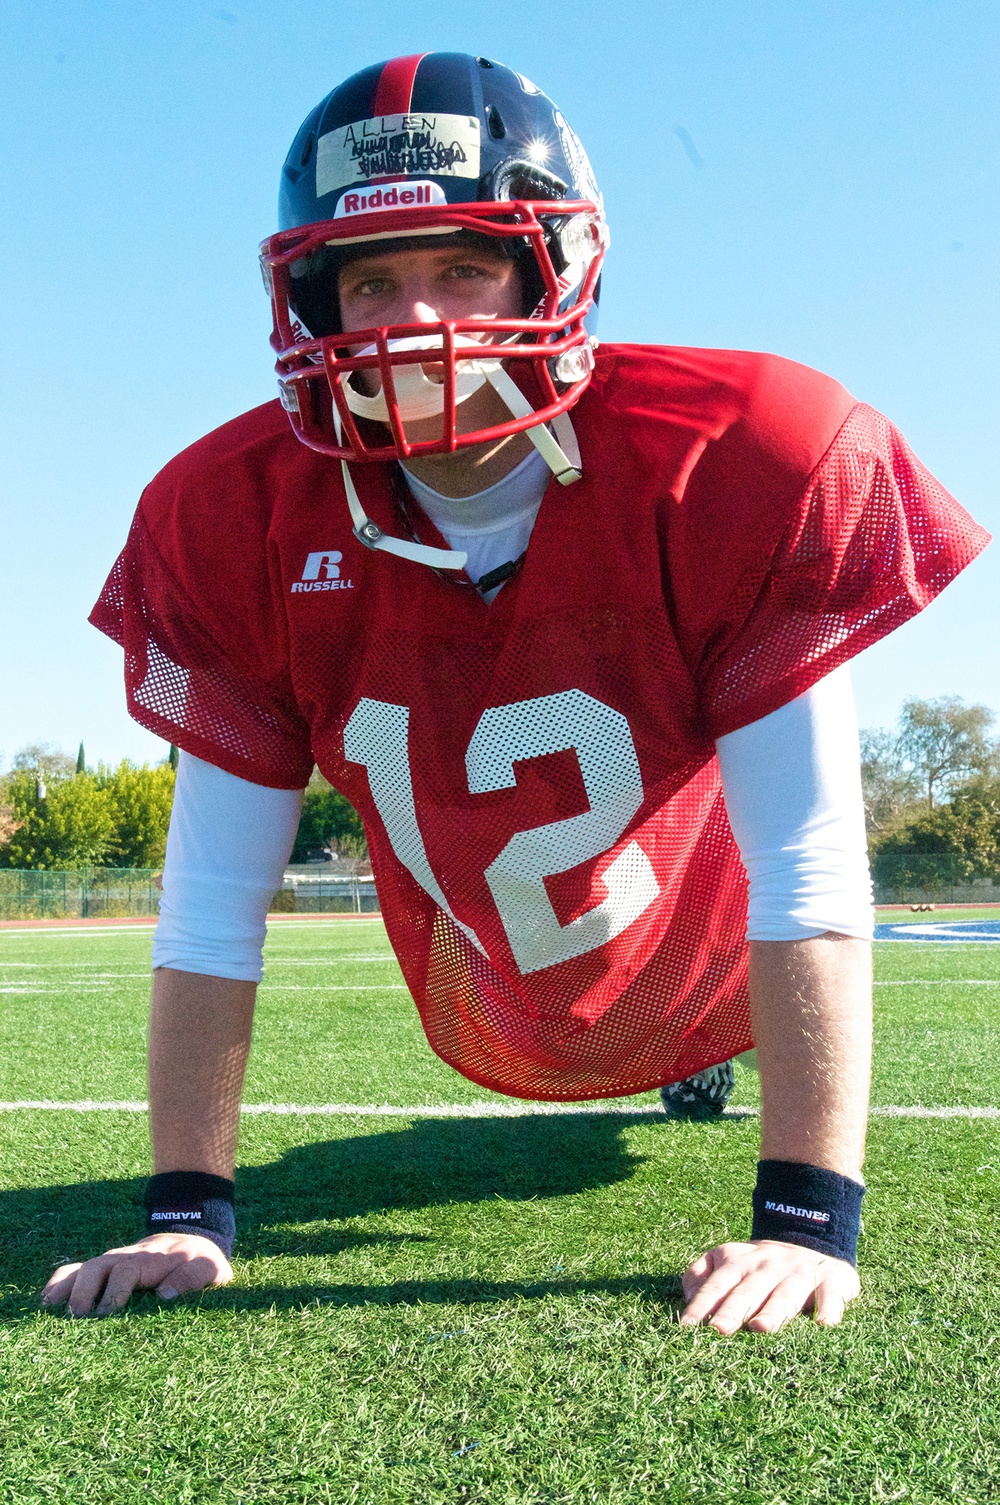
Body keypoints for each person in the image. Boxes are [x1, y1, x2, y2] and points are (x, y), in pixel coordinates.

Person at [43, 52, 987, 1329]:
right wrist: (185, 1210)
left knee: (710, 969)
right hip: (486, 934)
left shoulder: (734, 454)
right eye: (372, 280)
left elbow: (808, 860)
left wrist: (807, 1218)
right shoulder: (231, 516)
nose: (414, 318)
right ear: (315, 302)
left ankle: (713, 1050)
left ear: (555, 266)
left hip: (694, 906)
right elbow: (211, 904)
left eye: (462, 265)